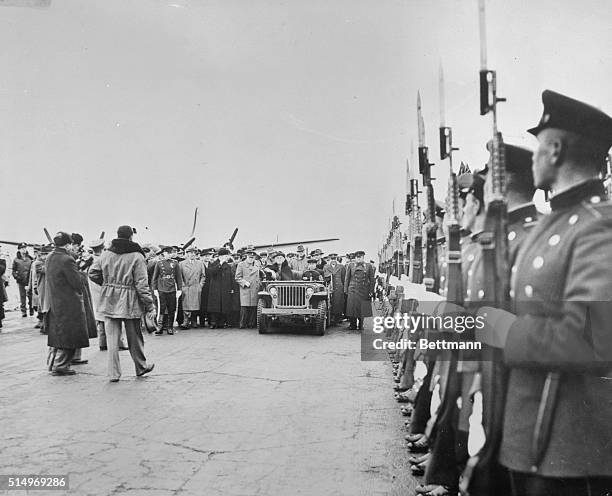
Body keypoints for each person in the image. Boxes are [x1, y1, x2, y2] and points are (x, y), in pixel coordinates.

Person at [475, 90, 612, 496]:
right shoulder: (558, 222)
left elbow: (591, 338)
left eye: (538, 146)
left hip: (565, 446)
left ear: (555, 150)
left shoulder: (596, 227)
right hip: (527, 434)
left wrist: (506, 331)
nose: (532, 156)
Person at [89, 225, 155, 382]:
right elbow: (141, 284)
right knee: (135, 337)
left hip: (109, 299)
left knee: (112, 339)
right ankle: (141, 367)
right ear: (131, 236)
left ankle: (113, 374)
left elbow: (92, 273)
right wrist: (149, 304)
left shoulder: (106, 254)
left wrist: (107, 285)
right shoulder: (137, 256)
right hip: (130, 300)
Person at [45, 232, 89, 376]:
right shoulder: (67, 259)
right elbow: (77, 283)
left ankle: (53, 363)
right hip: (69, 302)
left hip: (56, 300)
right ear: (68, 244)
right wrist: (82, 272)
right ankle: (61, 365)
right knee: (71, 334)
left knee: (59, 334)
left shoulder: (50, 257)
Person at [151, 246, 183, 335]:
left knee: (171, 308)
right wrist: (155, 289)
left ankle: (170, 327)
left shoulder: (175, 263)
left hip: (172, 288)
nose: (168, 255)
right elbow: (155, 277)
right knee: (161, 308)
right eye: (167, 253)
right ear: (164, 253)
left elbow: (178, 277)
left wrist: (180, 289)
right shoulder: (159, 263)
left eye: (170, 253)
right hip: (161, 288)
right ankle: (160, 326)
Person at [343, 250, 374, 330]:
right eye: (357, 257)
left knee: (362, 308)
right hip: (353, 289)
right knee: (351, 308)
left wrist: (371, 291)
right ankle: (352, 324)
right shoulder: (351, 265)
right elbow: (347, 278)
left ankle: (361, 324)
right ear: (355, 258)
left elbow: (372, 280)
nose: (359, 259)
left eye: (360, 257)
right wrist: (346, 290)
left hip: (363, 290)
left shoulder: (368, 266)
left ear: (363, 257)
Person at [207, 247, 235, 328]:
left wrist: (231, 288)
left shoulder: (228, 266)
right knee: (215, 306)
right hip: (215, 289)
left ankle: (222, 323)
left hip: (225, 289)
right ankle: (213, 322)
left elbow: (231, 278)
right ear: (221, 256)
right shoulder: (214, 264)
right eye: (226, 256)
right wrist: (220, 264)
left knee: (224, 306)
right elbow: (212, 272)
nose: (227, 258)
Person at [179, 247, 205, 329]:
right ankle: (186, 321)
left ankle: (194, 320)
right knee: (186, 304)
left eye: (194, 253)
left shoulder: (200, 263)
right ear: (187, 254)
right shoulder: (182, 264)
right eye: (190, 253)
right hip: (187, 287)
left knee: (195, 305)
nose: (193, 254)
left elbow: (203, 276)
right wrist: (183, 287)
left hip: (196, 286)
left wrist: (200, 285)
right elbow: (180, 277)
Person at [235, 250, 260, 328]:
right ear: (246, 257)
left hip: (255, 288)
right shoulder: (241, 265)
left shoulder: (257, 264)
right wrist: (244, 282)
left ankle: (251, 324)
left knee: (253, 307)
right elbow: (237, 277)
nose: (251, 259)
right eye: (249, 257)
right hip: (246, 288)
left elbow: (260, 275)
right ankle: (242, 324)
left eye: (252, 257)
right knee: (244, 307)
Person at [323, 253, 346, 325]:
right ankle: (331, 318)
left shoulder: (341, 266)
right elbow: (324, 277)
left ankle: (338, 318)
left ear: (336, 259)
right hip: (329, 286)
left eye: (334, 259)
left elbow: (344, 278)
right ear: (329, 259)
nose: (333, 260)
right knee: (330, 302)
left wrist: (343, 288)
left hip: (339, 287)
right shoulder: (326, 266)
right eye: (331, 259)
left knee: (338, 302)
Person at [12, 242, 33, 317]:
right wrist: (17, 277)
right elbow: (13, 270)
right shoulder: (16, 260)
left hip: (29, 281)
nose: (24, 250)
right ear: (19, 250)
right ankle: (23, 311)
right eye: (22, 248)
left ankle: (31, 309)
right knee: (22, 297)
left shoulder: (30, 258)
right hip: (21, 281)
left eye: (25, 248)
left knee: (30, 296)